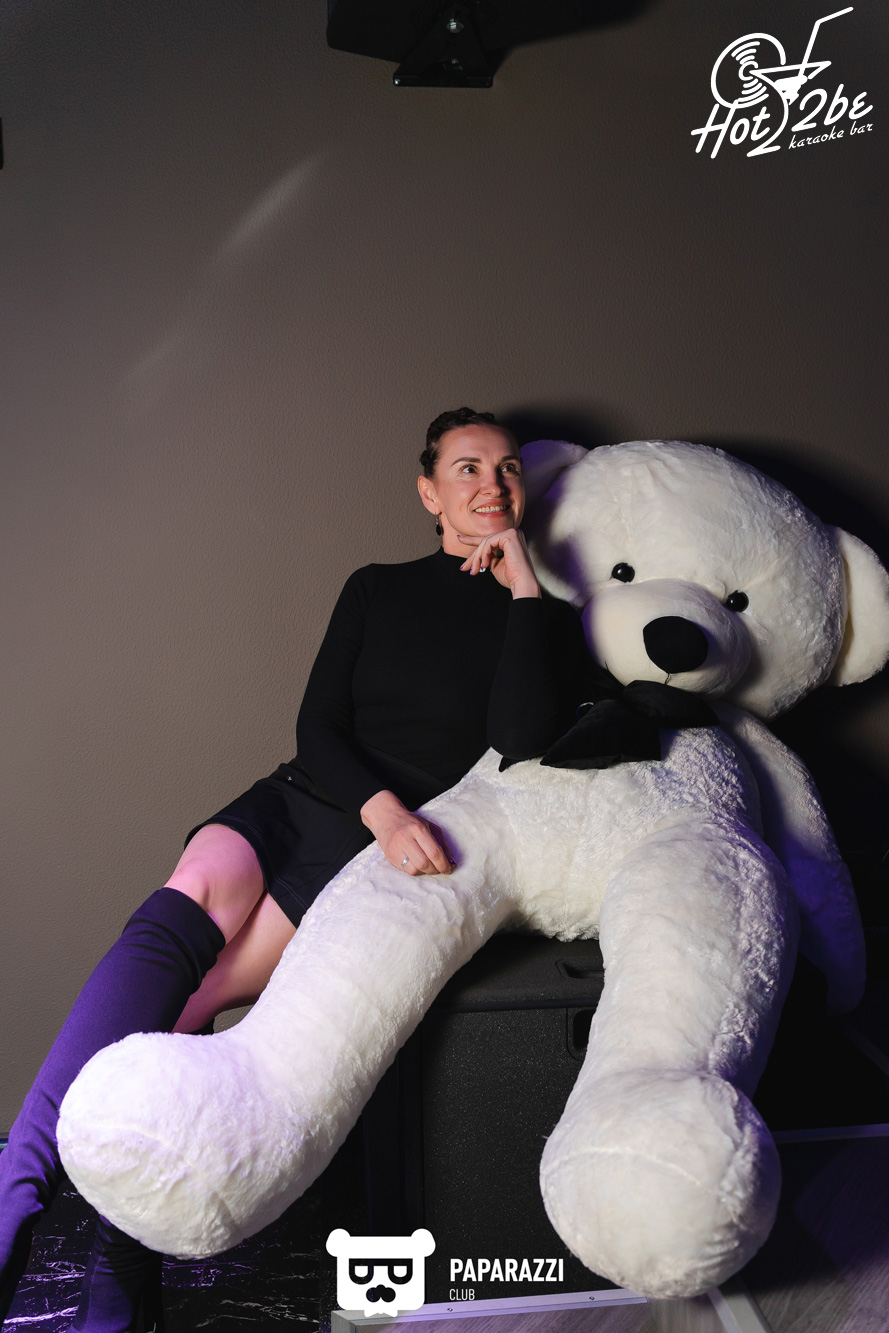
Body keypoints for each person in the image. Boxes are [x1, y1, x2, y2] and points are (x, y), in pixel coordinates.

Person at [0, 407, 592, 1332]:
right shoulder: (375, 587)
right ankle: (16, 1196)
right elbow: (318, 727)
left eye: (508, 467)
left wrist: (523, 589)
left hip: (364, 856)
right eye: (468, 468)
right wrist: (381, 806)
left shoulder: (543, 620)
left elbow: (519, 737)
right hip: (313, 798)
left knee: (186, 1013)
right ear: (429, 492)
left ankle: (112, 1278)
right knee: (185, 895)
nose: (492, 485)